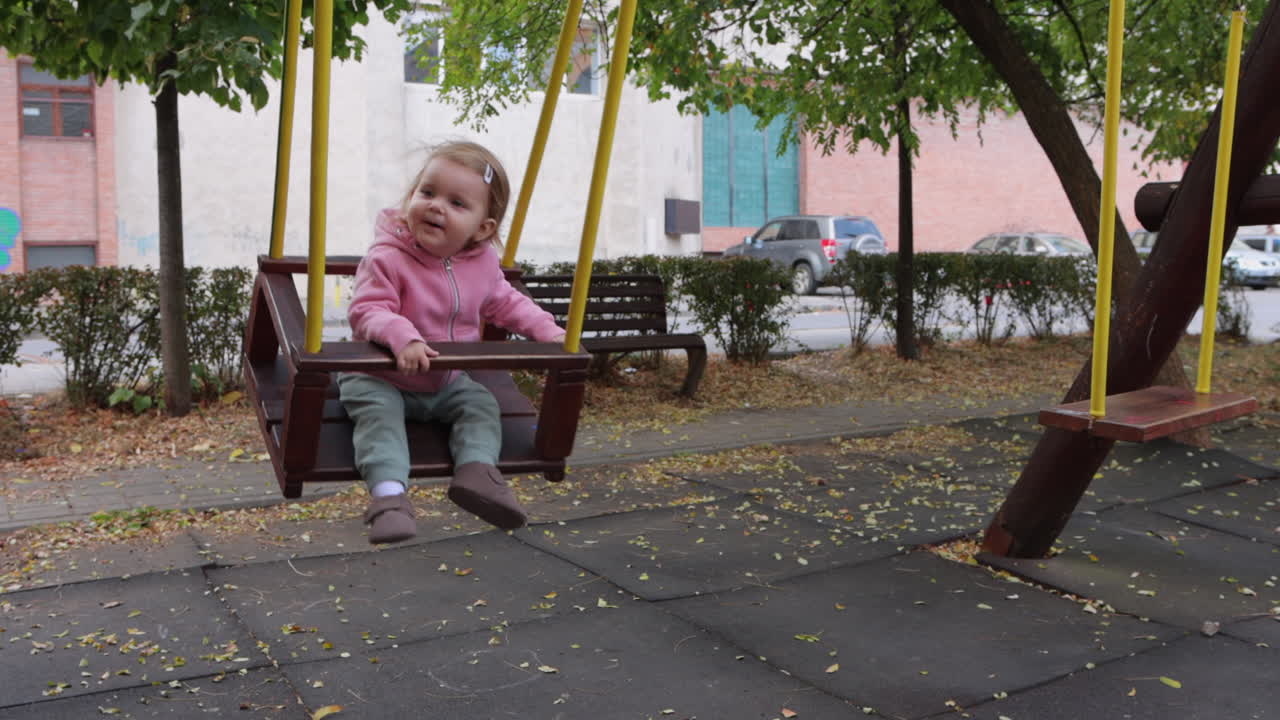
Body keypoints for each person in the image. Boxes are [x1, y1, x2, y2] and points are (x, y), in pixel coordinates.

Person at [341, 141, 566, 544]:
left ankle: (477, 474)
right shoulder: (387, 257)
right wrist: (403, 338)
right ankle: (389, 500)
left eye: (457, 203)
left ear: (482, 228)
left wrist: (549, 331)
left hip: (444, 380)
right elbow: (368, 309)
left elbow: (507, 302)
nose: (435, 206)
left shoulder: (482, 265)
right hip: (381, 375)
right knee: (378, 418)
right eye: (427, 193)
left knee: (481, 406)